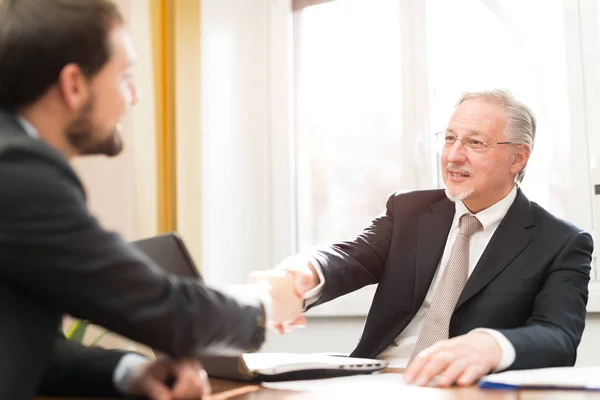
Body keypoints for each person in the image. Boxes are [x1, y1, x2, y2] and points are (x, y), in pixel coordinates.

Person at [0, 1, 308, 399]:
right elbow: (168, 311)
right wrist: (268, 302)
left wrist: (129, 371)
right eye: (125, 76)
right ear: (74, 84)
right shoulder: (19, 172)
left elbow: (20, 345)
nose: (135, 95)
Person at [251, 89, 593, 387]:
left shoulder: (560, 242)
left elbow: (558, 337)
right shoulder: (409, 210)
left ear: (517, 158)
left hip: (461, 386)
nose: (453, 156)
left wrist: (491, 345)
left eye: (474, 142)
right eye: (449, 138)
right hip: (373, 381)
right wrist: (302, 275)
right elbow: (351, 257)